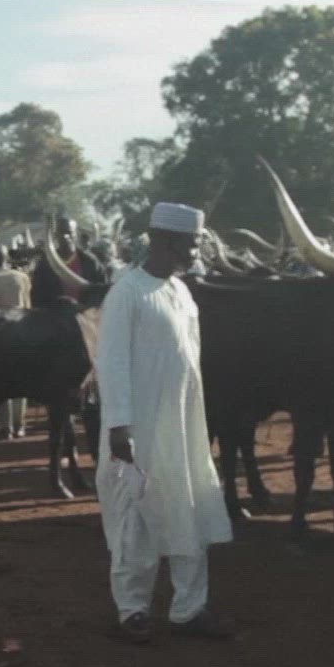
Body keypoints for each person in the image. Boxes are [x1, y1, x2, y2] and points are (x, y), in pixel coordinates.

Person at [94, 202, 234, 643]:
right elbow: (111, 361)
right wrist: (120, 425)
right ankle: (132, 610)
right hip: (139, 429)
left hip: (184, 426)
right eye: (193, 244)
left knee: (190, 508)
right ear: (166, 242)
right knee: (136, 516)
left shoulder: (182, 293)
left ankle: (189, 609)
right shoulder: (127, 292)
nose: (197, 251)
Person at [0, 244, 33, 439]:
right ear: (7, 259)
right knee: (22, 382)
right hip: (22, 331)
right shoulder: (22, 277)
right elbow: (28, 306)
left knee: (3, 382)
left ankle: (6, 426)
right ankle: (20, 425)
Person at [33, 217, 107, 308]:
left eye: (69, 232)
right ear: (55, 235)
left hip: (86, 314)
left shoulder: (91, 262)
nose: (65, 236)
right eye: (61, 232)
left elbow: (102, 294)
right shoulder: (45, 264)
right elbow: (37, 297)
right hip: (55, 315)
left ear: (76, 234)